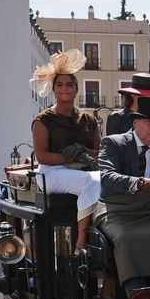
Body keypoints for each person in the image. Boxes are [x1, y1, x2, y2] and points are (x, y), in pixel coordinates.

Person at [96, 88, 150, 297]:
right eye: (149, 122)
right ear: (135, 123)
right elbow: (107, 177)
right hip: (116, 210)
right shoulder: (113, 143)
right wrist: (139, 183)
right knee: (127, 238)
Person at [28, 49, 103, 227]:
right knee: (91, 181)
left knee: (105, 179)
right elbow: (42, 157)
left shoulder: (89, 120)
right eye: (60, 85)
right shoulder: (43, 120)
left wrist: (84, 152)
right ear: (54, 90)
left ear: (76, 89)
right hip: (51, 172)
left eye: (69, 84)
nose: (65, 89)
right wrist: (71, 158)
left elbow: (100, 153)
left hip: (84, 169)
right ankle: (83, 234)